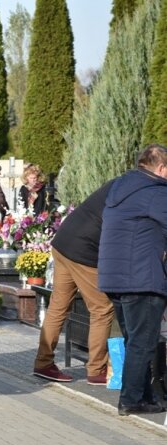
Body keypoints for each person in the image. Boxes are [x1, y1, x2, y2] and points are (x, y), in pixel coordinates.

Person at [98, 144, 167, 416]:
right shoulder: (155, 193)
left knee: (136, 340)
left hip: (116, 277)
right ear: (161, 168)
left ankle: (146, 396)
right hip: (141, 278)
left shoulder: (122, 188)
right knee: (142, 342)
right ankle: (130, 400)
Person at [32, 181, 115, 385]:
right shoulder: (142, 190)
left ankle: (43, 363)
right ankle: (97, 370)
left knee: (58, 307)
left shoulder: (119, 184)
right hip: (84, 250)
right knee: (102, 308)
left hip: (63, 242)